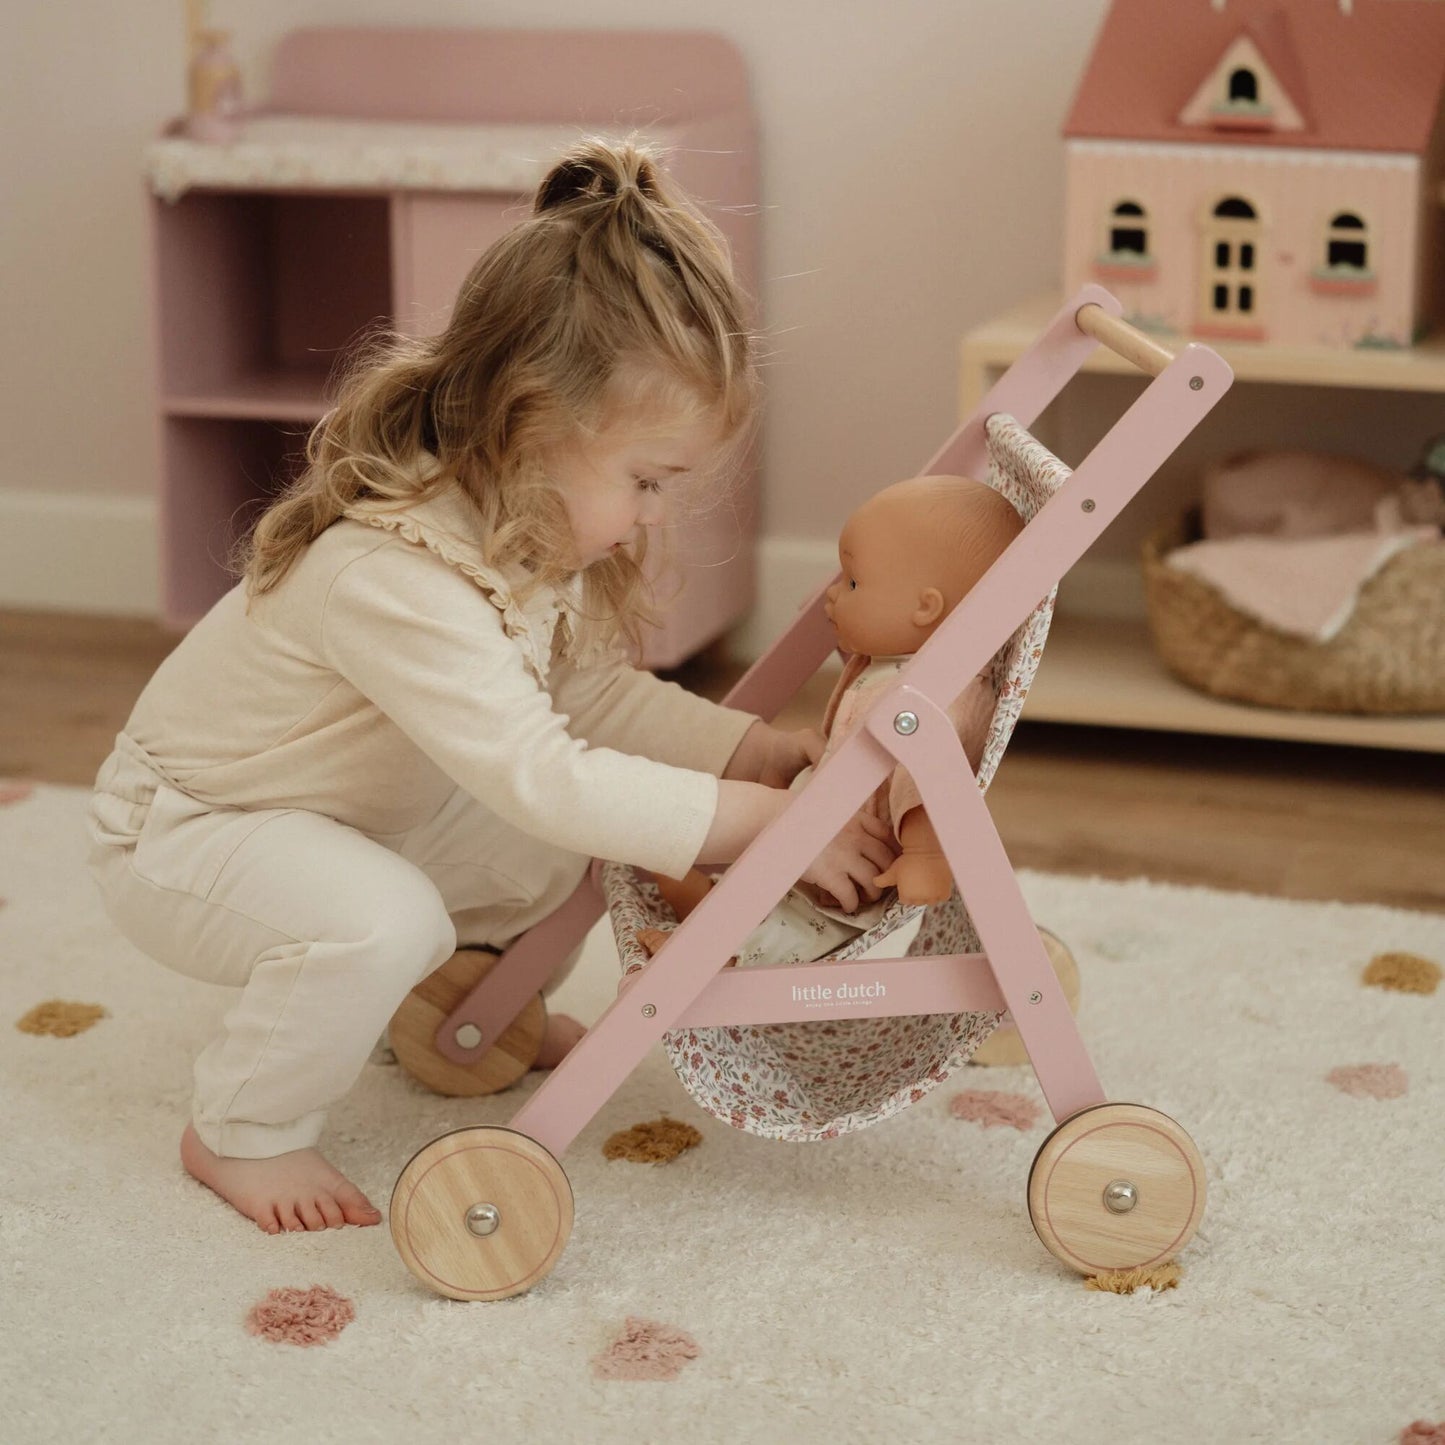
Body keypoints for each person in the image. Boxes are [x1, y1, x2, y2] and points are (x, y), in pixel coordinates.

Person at [86, 138, 897, 1237]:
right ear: (524, 425)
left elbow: (587, 706)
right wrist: (767, 826)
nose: (657, 513)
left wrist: (742, 753)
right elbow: (541, 771)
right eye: (646, 481)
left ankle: (473, 1006)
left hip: (337, 811)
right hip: (187, 830)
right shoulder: (394, 573)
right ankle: (240, 1127)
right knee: (385, 918)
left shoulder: (517, 537)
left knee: (567, 841)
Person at [636, 474, 1023, 968]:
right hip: (816, 827)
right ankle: (713, 909)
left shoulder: (940, 700)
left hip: (854, 859)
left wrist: (926, 856)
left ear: (926, 608)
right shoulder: (894, 663)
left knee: (799, 921)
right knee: (766, 879)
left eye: (854, 581)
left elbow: (933, 778)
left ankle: (718, 956)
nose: (834, 593)